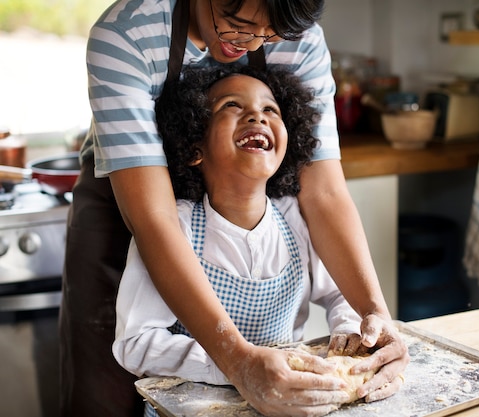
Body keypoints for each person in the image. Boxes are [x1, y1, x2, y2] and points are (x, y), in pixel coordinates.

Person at [60, 1, 409, 416]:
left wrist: (375, 315)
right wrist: (237, 361)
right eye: (237, 25)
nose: (251, 43)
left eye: (269, 35)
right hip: (129, 202)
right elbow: (154, 218)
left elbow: (324, 194)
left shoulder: (296, 38)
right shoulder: (127, 34)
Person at [115, 64, 369, 416]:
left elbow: (340, 293)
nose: (256, 116)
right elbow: (136, 344)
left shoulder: (297, 219)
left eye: (270, 110)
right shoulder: (174, 227)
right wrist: (232, 366)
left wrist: (347, 334)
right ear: (193, 148)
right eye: (232, 106)